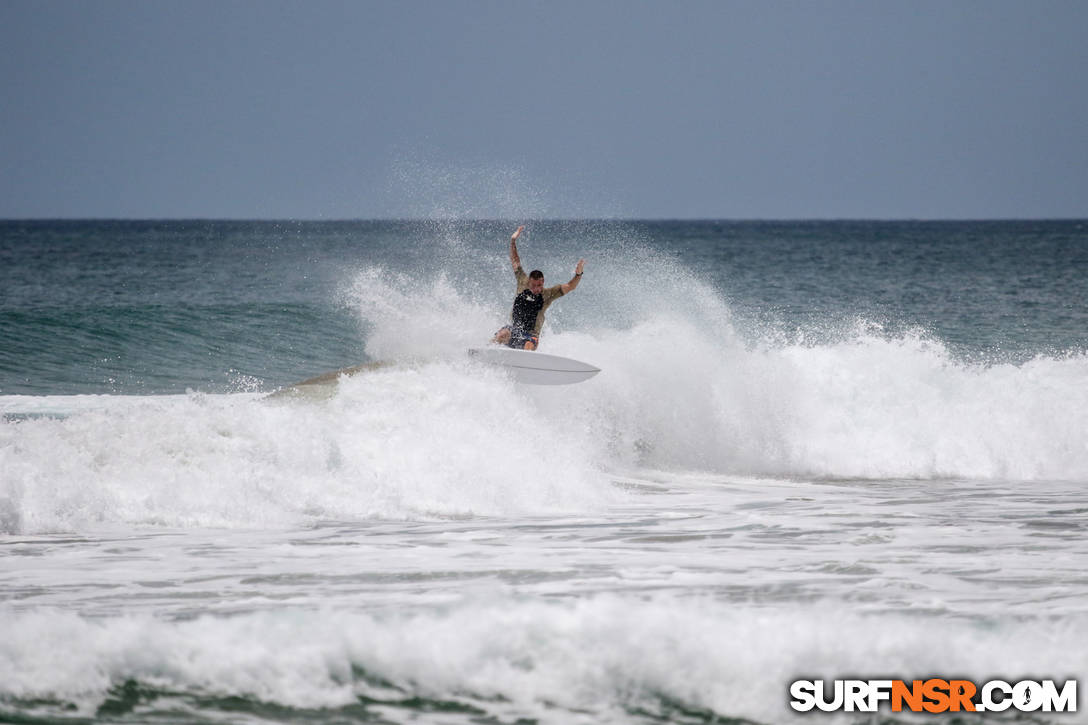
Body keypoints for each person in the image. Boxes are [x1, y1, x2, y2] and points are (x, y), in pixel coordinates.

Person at [491, 225, 585, 351]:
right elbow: (515, 260)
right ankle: (484, 352)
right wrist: (513, 240)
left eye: (539, 285)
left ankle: (526, 361)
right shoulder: (522, 281)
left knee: (528, 345)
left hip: (531, 336)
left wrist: (578, 274)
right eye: (533, 286)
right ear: (529, 282)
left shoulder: (549, 294)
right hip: (515, 331)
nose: (537, 289)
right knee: (502, 334)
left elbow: (570, 286)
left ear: (543, 282)